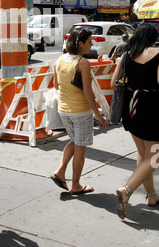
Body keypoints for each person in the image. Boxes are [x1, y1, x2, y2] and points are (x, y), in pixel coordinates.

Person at [51, 28, 108, 195]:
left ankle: (60, 171)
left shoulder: (59, 60)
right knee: (80, 148)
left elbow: (56, 85)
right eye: (90, 41)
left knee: (75, 141)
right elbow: (87, 92)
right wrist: (98, 115)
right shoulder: (82, 63)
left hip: (64, 110)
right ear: (81, 44)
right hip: (80, 112)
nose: (92, 44)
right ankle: (75, 185)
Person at [111, 24, 159, 220]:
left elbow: (114, 82)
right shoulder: (157, 53)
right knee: (155, 156)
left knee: (143, 153)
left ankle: (152, 196)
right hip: (153, 108)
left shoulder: (126, 54)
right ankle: (127, 190)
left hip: (131, 107)